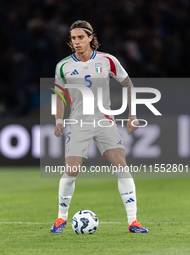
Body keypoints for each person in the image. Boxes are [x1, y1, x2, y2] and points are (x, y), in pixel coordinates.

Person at [50, 20, 148, 234]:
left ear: (90, 38)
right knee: (71, 170)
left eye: (80, 38)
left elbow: (128, 84)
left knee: (121, 166)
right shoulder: (63, 66)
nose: (76, 42)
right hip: (78, 123)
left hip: (105, 121)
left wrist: (132, 115)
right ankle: (60, 218)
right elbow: (58, 96)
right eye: (73, 38)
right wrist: (59, 121)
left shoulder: (107, 60)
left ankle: (133, 221)